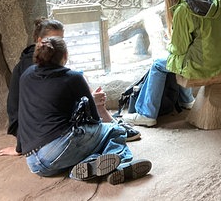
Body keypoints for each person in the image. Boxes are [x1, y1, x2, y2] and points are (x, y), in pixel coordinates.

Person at [17, 36, 152, 184]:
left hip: (35, 163)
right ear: (65, 56)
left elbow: (23, 113)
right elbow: (94, 121)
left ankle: (88, 165)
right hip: (58, 148)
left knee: (86, 141)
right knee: (114, 130)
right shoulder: (73, 77)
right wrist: (94, 105)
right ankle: (120, 164)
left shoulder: (26, 76)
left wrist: (19, 148)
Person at [0, 18, 139, 157]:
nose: (59, 43)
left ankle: (104, 131)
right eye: (54, 39)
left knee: (81, 79)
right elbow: (34, 108)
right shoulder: (31, 68)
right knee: (107, 130)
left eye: (62, 39)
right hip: (39, 131)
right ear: (40, 41)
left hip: (38, 145)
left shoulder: (39, 66)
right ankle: (113, 134)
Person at [123, 0, 221, 126]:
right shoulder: (215, 0)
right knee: (182, 57)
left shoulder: (184, 9)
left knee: (158, 64)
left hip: (203, 64)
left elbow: (179, 48)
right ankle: (187, 100)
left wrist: (171, 42)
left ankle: (147, 114)